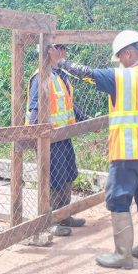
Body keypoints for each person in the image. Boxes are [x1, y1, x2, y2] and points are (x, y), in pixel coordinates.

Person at [58, 30, 138, 269]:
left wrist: (60, 61)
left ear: (128, 53)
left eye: (120, 57)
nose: (119, 62)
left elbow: (85, 73)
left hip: (127, 151)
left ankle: (122, 255)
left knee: (118, 199)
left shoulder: (122, 78)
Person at [27, 43, 88, 237]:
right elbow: (35, 110)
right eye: (59, 48)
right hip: (49, 139)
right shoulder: (41, 77)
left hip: (64, 135)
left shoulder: (60, 74)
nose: (64, 52)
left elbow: (69, 104)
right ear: (48, 52)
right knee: (52, 179)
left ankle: (64, 214)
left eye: (64, 48)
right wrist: (36, 138)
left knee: (68, 174)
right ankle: (49, 220)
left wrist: (86, 120)